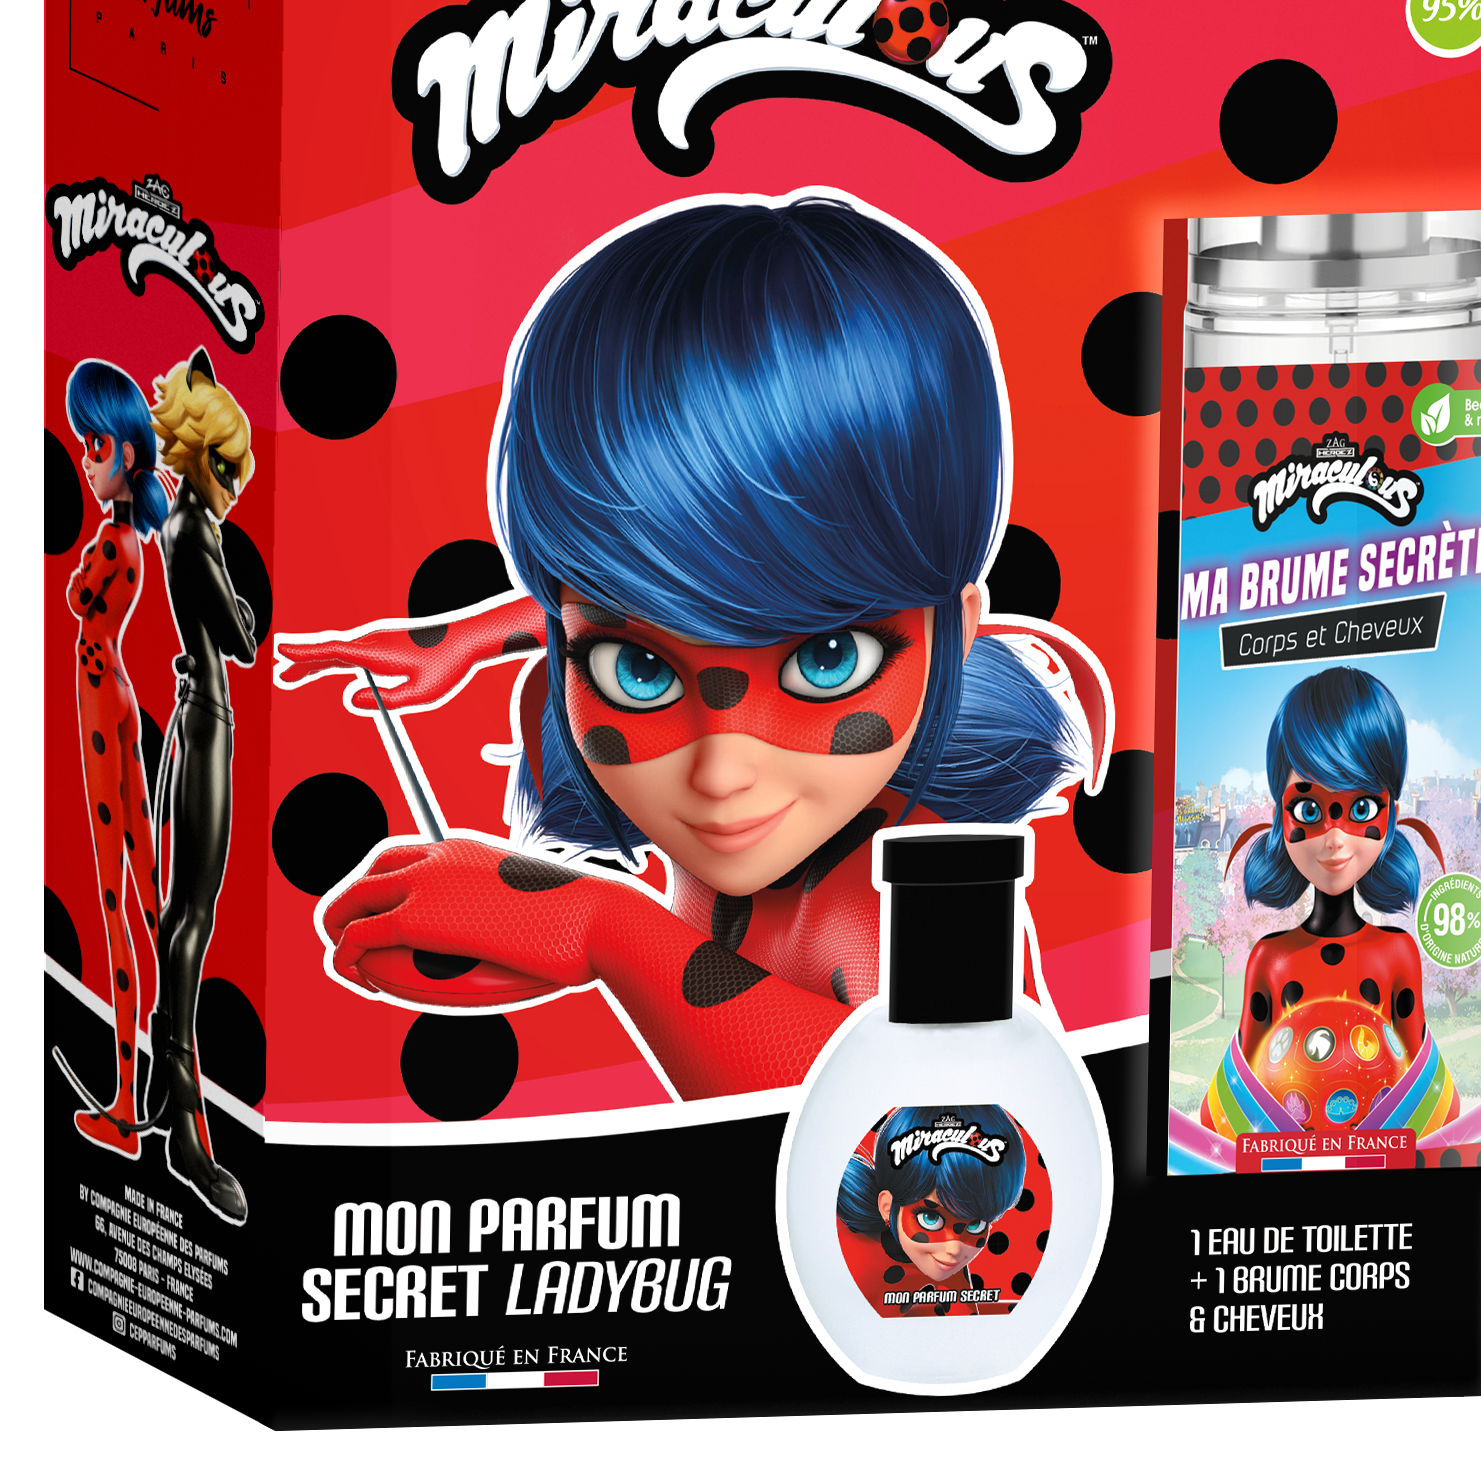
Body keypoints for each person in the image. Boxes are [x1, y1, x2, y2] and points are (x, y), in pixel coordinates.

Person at [276, 194, 1111, 1101]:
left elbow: (908, 1123)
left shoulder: (906, 896)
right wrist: (457, 642)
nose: (720, 774)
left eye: (827, 660)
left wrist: (605, 933)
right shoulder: (754, 783)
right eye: (638, 671)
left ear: (958, 630)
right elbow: (629, 608)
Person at [1199, 666, 1459, 1140]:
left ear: (1391, 814)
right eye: (1309, 810)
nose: (1335, 839)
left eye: (1361, 808)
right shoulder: (1270, 960)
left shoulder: (1397, 954)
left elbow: (1427, 1094)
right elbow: (1233, 1104)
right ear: (1280, 817)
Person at [148, 349, 256, 1222]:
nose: (237, 487)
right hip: (208, 717)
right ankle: (185, 1121)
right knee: (195, 912)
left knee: (185, 908)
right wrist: (239, 610)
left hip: (200, 710)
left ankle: (163, 1084)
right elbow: (243, 636)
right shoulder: (195, 531)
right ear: (209, 460)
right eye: (233, 469)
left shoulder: (187, 527)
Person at [59, 359, 171, 1156]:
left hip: (104, 705)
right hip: (119, 700)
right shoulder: (133, 538)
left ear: (124, 453)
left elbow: (77, 600)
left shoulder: (112, 541)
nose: (85, 458)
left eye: (94, 444)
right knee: (150, 890)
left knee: (117, 903)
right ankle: (171, 1084)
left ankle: (130, 1105)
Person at [834, 1105, 1036, 1317]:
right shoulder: (846, 1251)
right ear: (887, 1207)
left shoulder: (945, 1263)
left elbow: (966, 1320)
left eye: (976, 1224)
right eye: (930, 1218)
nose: (954, 1249)